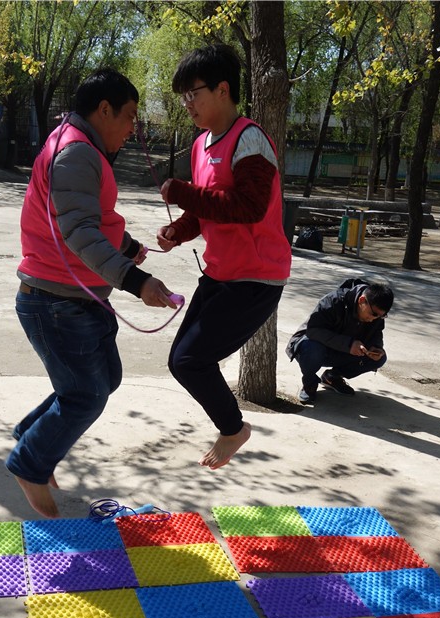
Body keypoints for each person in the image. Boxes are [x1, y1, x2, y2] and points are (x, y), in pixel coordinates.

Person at [11, 68, 177, 518]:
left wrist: (126, 246)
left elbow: (85, 216)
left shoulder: (76, 145)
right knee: (85, 394)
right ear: (104, 110)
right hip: (55, 301)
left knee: (103, 380)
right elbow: (79, 231)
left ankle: (32, 437)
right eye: (130, 116)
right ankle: (30, 463)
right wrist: (136, 281)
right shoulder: (77, 152)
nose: (132, 128)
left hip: (74, 298)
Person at [155, 44, 292, 470]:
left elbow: (248, 207)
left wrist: (183, 193)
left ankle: (233, 429)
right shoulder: (200, 146)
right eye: (183, 96)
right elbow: (207, 208)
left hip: (256, 278)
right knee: (181, 361)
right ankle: (233, 428)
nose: (187, 103)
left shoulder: (250, 138)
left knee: (191, 360)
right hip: (220, 274)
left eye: (193, 93)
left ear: (223, 89)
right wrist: (178, 231)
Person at [286, 278, 394, 402]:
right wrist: (348, 344)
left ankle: (332, 377)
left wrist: (376, 347)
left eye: (382, 316)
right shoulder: (333, 301)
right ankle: (309, 383)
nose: (374, 319)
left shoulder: (376, 314)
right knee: (311, 347)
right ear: (362, 300)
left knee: (379, 359)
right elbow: (313, 330)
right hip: (315, 347)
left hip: (344, 351)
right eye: (373, 314)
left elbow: (376, 334)